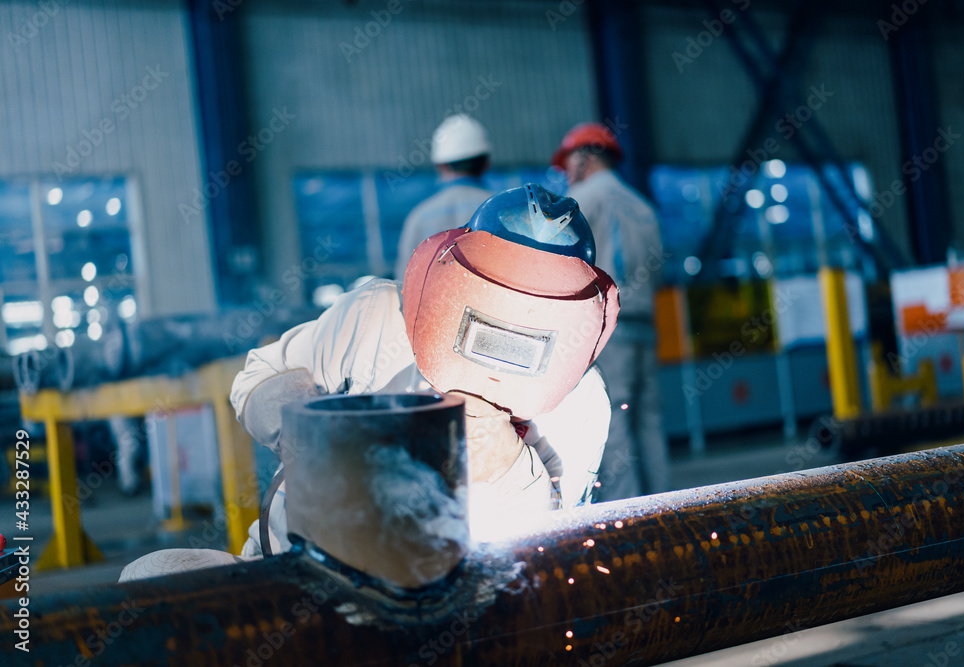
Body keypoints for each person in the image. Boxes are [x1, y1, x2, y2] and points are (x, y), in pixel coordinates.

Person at [119, 184, 619, 580]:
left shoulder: (580, 400)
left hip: (450, 603)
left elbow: (551, 542)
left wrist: (505, 465)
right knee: (148, 579)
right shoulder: (379, 315)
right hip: (286, 571)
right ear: (453, 278)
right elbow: (256, 377)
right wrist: (312, 430)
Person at [552, 122, 670, 501]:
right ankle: (668, 508)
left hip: (606, 327)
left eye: (568, 161)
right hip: (645, 324)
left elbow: (562, 266)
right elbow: (660, 272)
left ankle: (631, 519)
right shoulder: (644, 208)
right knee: (647, 420)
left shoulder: (582, 200)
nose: (566, 171)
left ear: (585, 157)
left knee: (614, 420)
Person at [393, 114, 493, 279]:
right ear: (485, 163)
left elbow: (404, 281)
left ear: (441, 166)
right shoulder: (506, 211)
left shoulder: (419, 217)